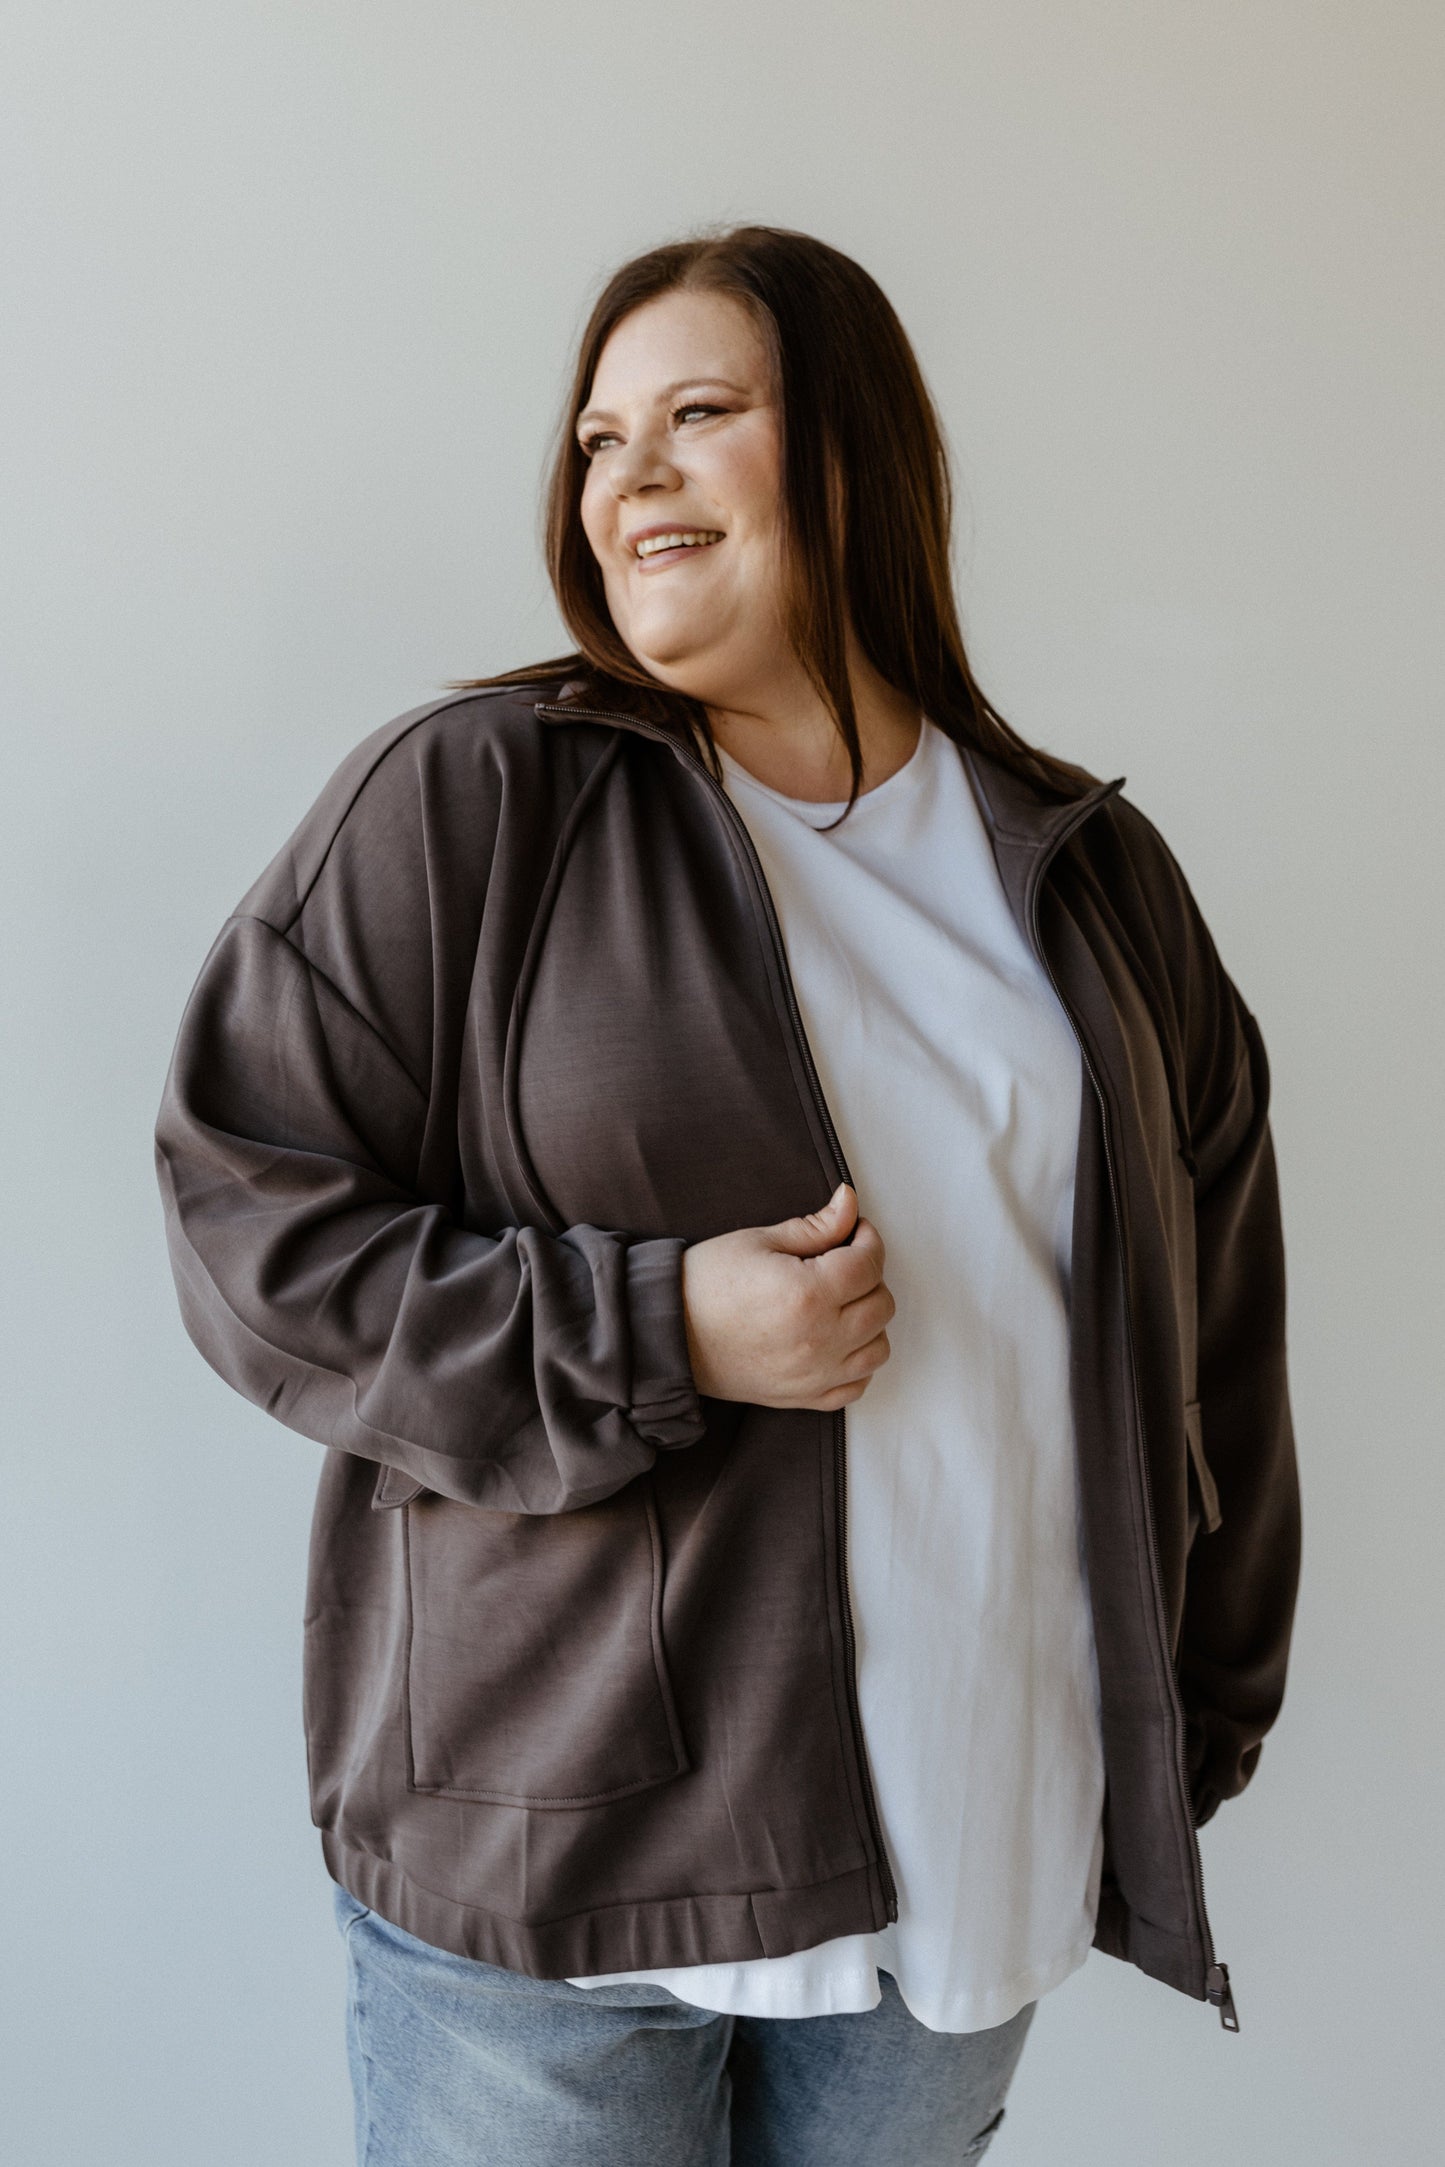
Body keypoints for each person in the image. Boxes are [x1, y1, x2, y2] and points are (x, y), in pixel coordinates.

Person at [154, 225, 1301, 2165]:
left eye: (701, 414)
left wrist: (1194, 1707)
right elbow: (244, 1221)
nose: (632, 477)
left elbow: (1220, 1331)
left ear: (855, 452)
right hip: (566, 1877)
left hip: (977, 1836)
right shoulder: (478, 800)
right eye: (601, 438)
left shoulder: (1095, 878)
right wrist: (657, 1327)